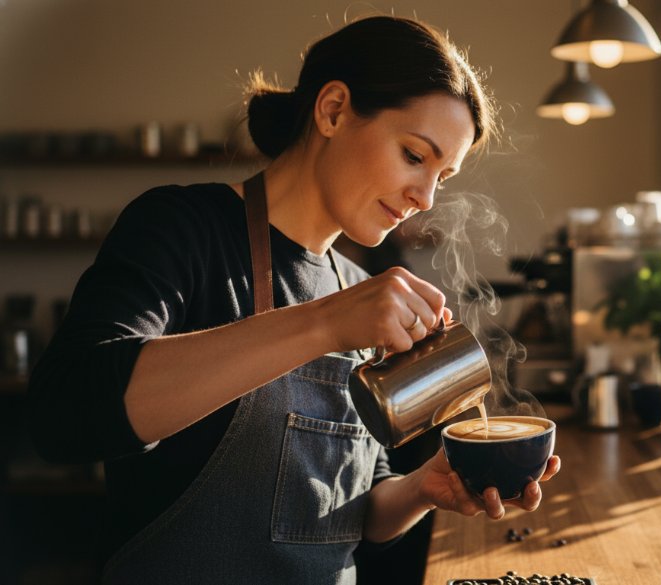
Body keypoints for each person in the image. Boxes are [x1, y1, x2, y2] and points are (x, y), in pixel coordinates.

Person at [27, 15, 560, 584]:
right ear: (332, 110)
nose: (425, 197)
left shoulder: (359, 289)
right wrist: (324, 324)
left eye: (442, 176)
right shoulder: (183, 229)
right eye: (413, 155)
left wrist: (420, 491)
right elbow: (67, 415)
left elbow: (350, 514)